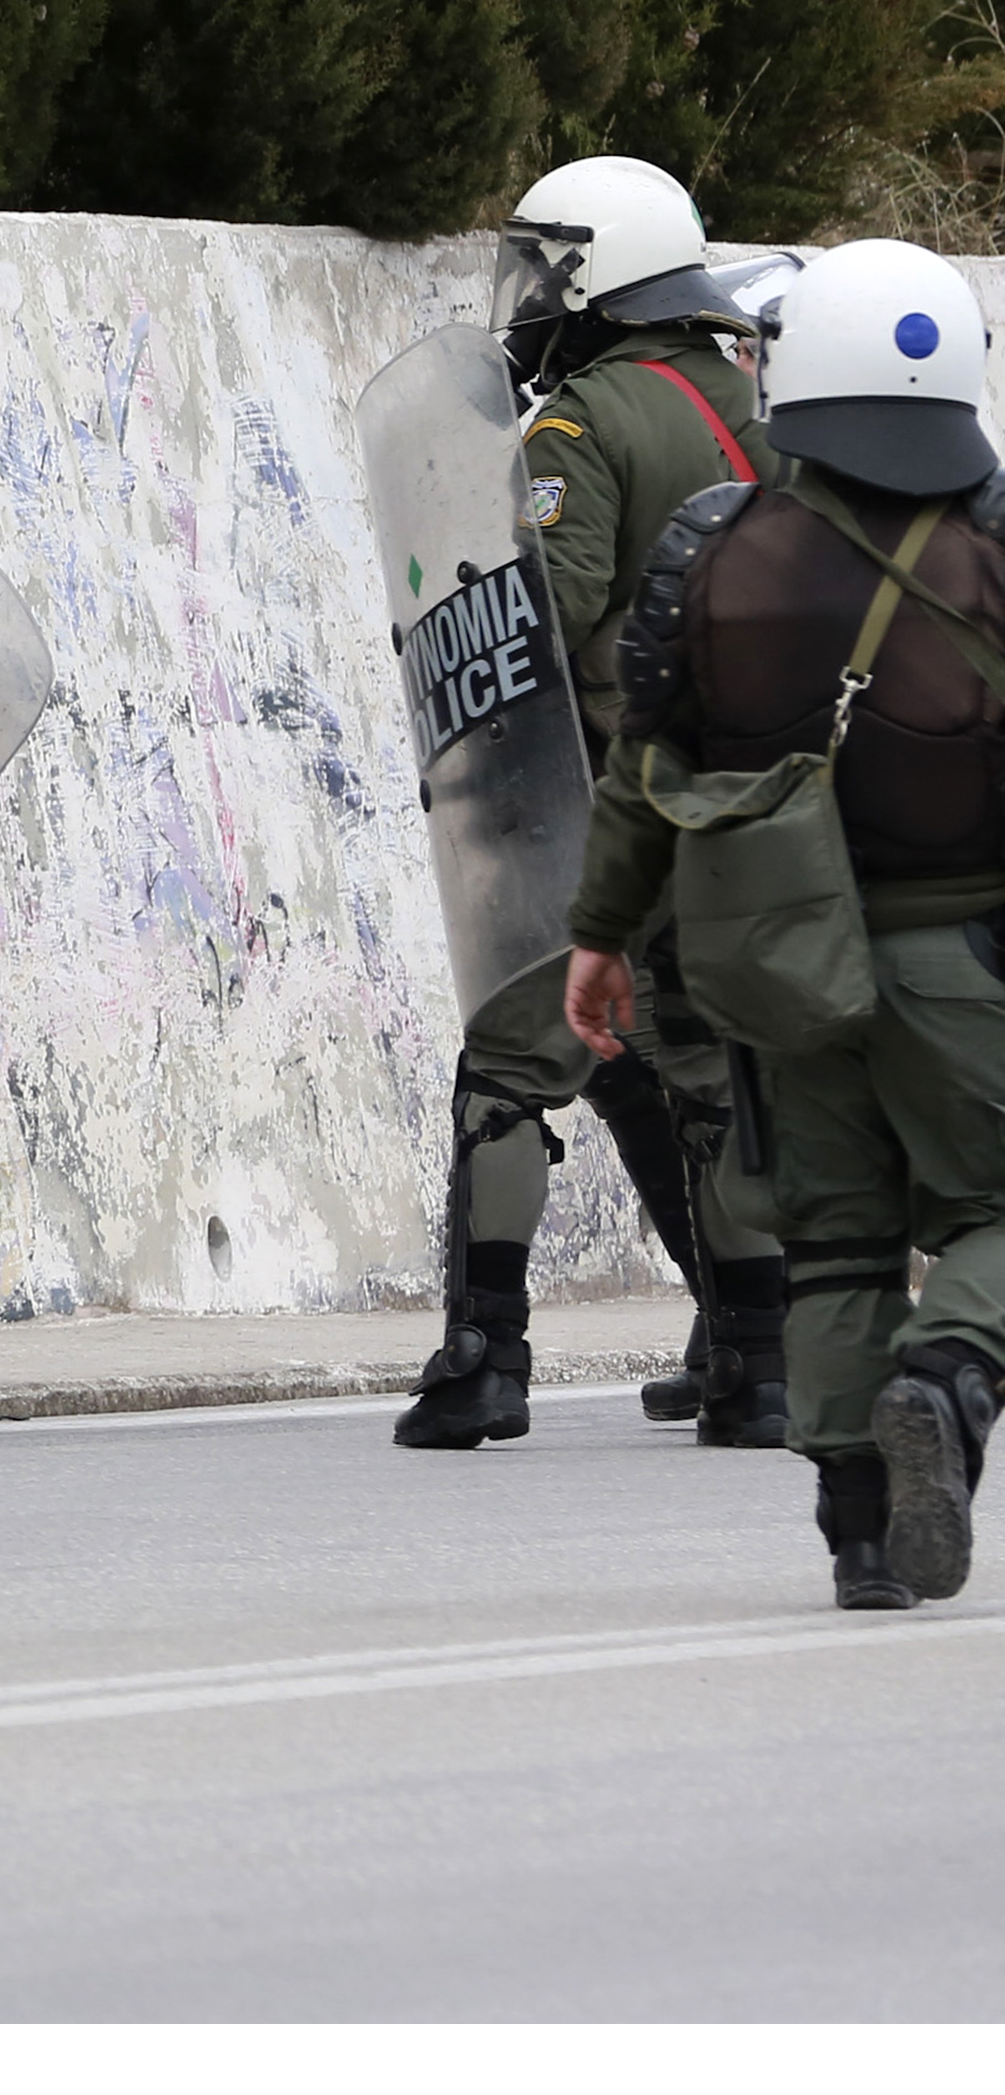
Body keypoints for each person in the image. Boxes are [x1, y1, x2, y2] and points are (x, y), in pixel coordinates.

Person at [567, 238, 1005, 1609]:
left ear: (791, 366)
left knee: (833, 1235)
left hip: (769, 958)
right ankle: (944, 1378)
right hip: (965, 960)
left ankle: (856, 1536)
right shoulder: (992, 552)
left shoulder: (714, 550)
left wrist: (596, 938)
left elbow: (645, 771)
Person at [398, 154, 791, 1453]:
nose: (530, 295)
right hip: (743, 810)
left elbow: (547, 617)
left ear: (600, 275)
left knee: (508, 1068)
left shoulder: (579, 421)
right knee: (708, 1078)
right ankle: (755, 1365)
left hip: (604, 808)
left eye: (545, 266)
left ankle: (482, 1360)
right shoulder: (759, 406)